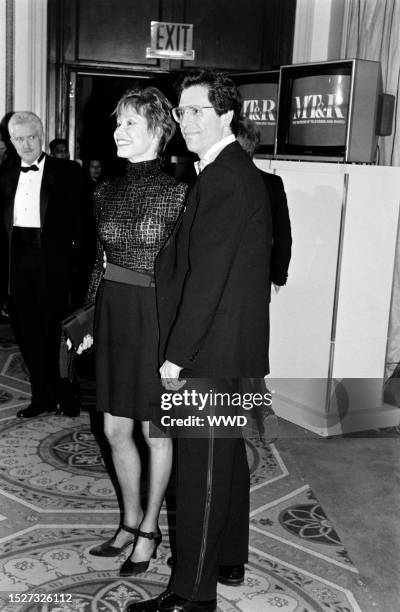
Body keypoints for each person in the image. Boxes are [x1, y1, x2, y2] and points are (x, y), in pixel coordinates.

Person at [128, 71, 272, 612]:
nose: (185, 122)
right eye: (182, 112)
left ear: (226, 116)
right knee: (226, 462)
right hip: (229, 345)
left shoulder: (225, 179)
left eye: (196, 112)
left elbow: (206, 280)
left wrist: (175, 356)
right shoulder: (227, 172)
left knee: (202, 476)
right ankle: (230, 556)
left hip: (209, 351)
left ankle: (192, 593)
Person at [80, 87, 188, 576]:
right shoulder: (103, 191)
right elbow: (99, 263)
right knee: (113, 427)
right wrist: (86, 318)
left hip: (156, 317)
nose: (119, 132)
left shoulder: (181, 193)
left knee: (156, 432)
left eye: (129, 124)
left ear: (158, 133)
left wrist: (181, 344)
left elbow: (189, 274)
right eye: (118, 123)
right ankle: (127, 520)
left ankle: (149, 528)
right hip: (114, 314)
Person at [0, 111, 83, 417]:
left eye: (31, 137)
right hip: (19, 267)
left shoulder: (68, 172)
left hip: (56, 267)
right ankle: (42, 398)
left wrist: (78, 272)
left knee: (60, 335)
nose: (25, 144)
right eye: (18, 138)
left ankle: (67, 396)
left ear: (41, 134)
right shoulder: (5, 177)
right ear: (11, 141)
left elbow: (82, 226)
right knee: (29, 335)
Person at [237, 117, 292, 444]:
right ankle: (260, 414)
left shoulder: (217, 179)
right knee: (253, 349)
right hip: (257, 281)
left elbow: (282, 234)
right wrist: (278, 275)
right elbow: (284, 237)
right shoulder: (271, 183)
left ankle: (248, 415)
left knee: (236, 349)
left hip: (230, 281)